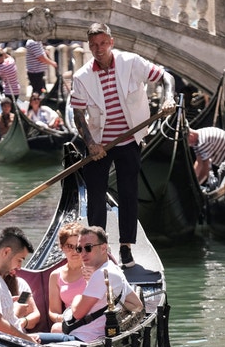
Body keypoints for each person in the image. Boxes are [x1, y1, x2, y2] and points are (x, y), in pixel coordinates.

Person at [69, 22, 175, 268]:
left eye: (103, 43)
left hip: (129, 139)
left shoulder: (131, 63)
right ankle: (98, 249)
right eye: (94, 45)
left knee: (128, 193)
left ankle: (126, 248)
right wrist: (91, 144)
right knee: (95, 197)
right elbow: (77, 114)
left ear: (111, 42)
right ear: (89, 47)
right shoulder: (82, 77)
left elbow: (165, 78)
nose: (99, 49)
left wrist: (168, 97)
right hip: (99, 143)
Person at [60, 226, 143, 343]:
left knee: (35, 339)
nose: (82, 253)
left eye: (88, 248)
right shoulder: (114, 269)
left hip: (84, 338)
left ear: (103, 247)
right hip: (97, 336)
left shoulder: (100, 275)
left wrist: (76, 298)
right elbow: (136, 305)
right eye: (79, 249)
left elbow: (78, 313)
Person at [47, 222, 86, 333]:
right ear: (62, 247)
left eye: (78, 247)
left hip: (92, 320)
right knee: (56, 329)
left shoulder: (94, 271)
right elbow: (53, 312)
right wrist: (64, 319)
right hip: (70, 322)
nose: (75, 251)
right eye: (70, 246)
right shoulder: (55, 276)